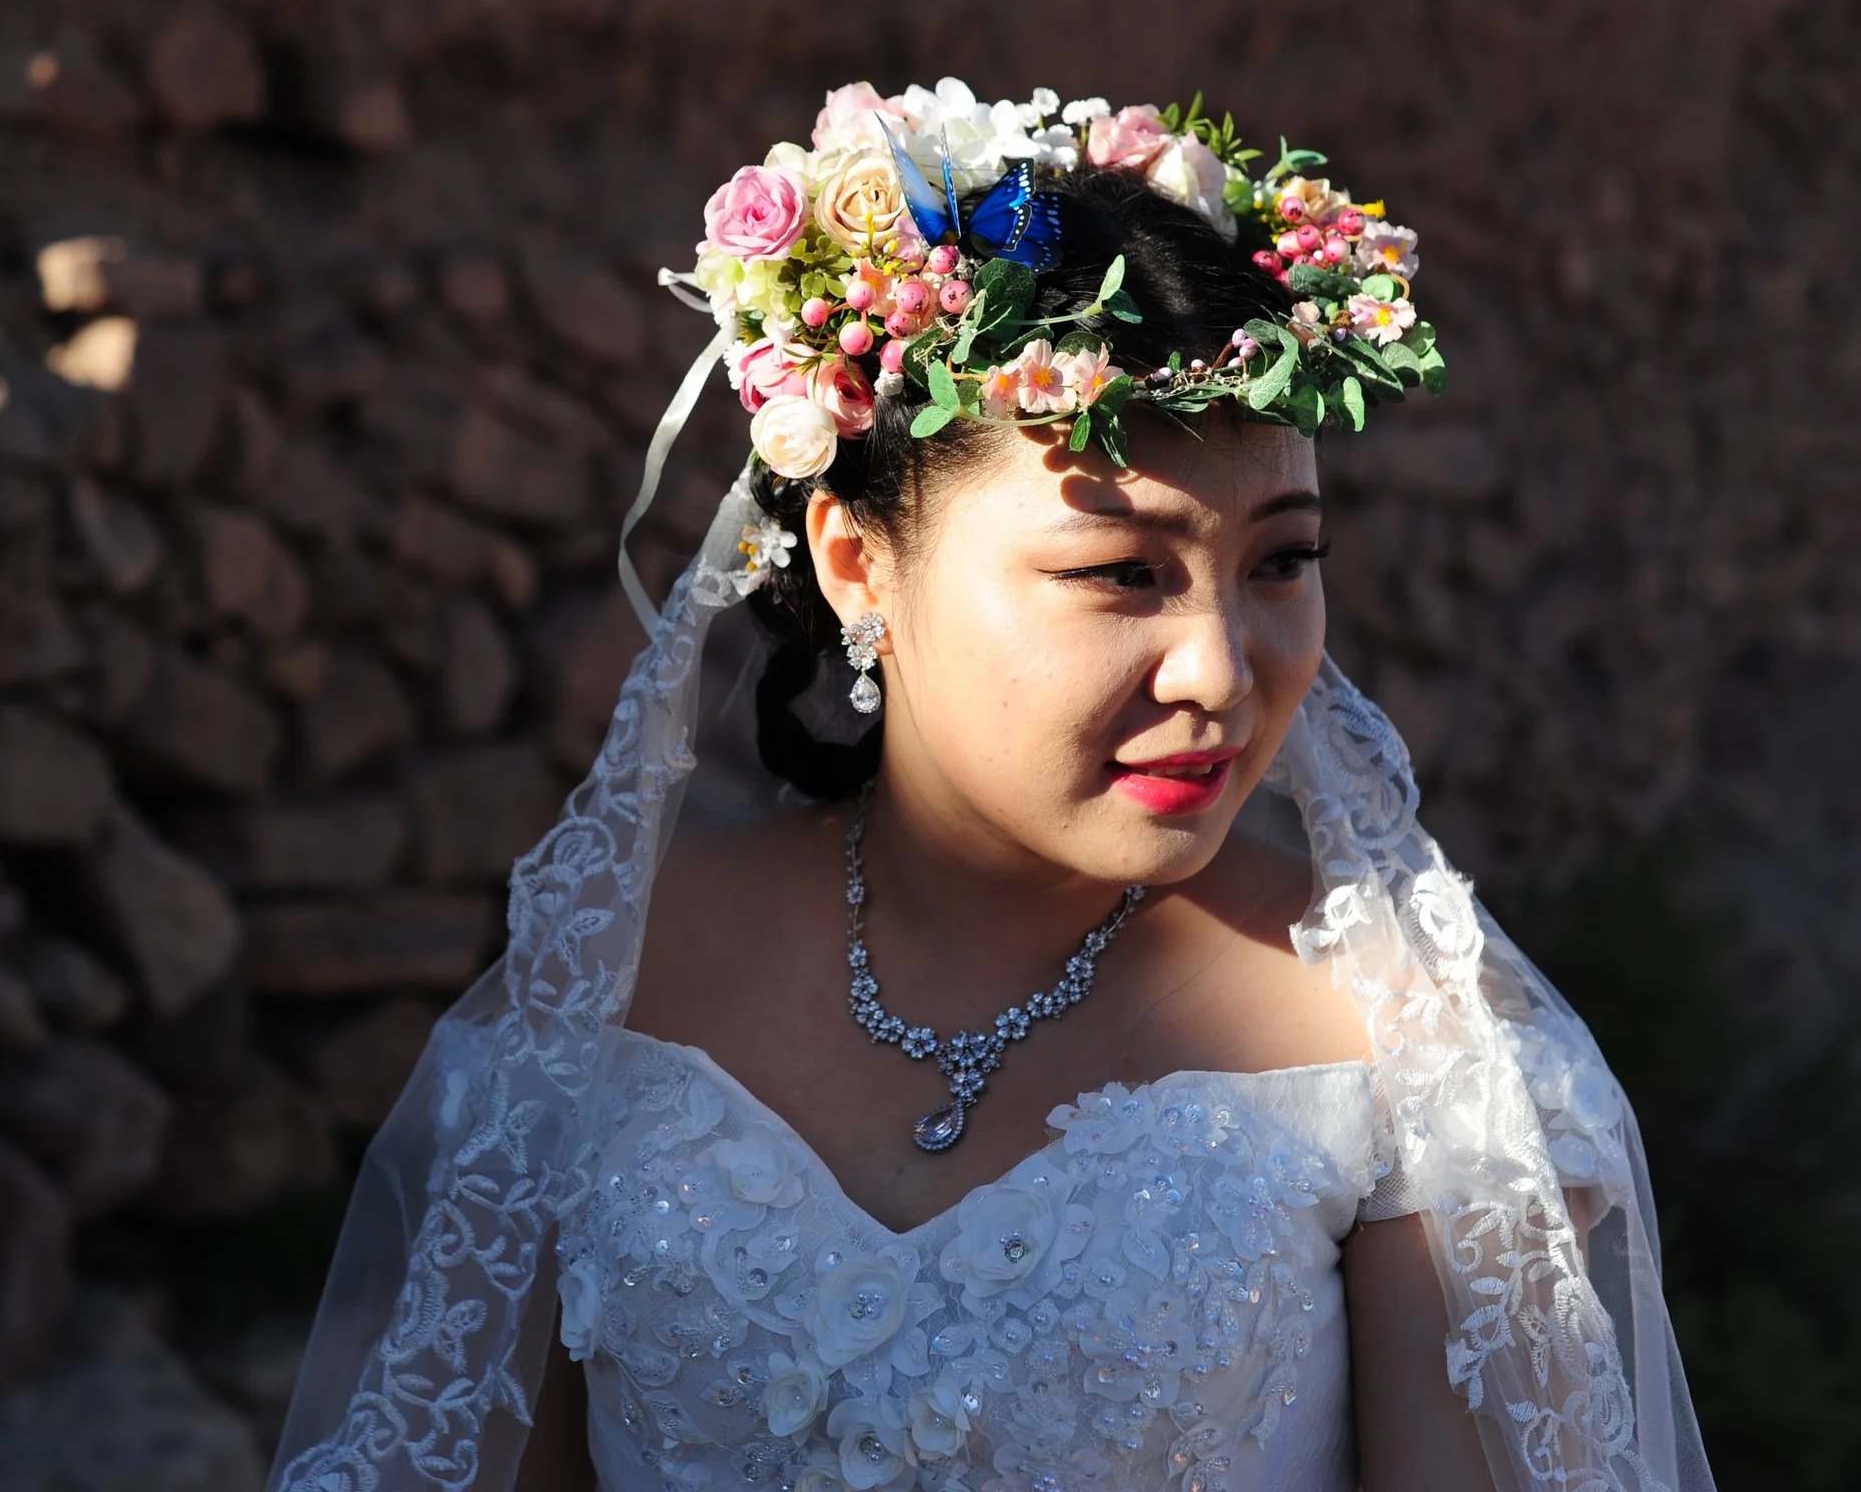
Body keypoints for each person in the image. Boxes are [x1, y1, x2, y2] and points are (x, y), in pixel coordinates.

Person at [269, 80, 1713, 1492]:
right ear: (854, 562)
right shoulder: (610, 979)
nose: (1219, 665)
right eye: (1117, 575)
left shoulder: (1417, 1057)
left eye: (1281, 560)